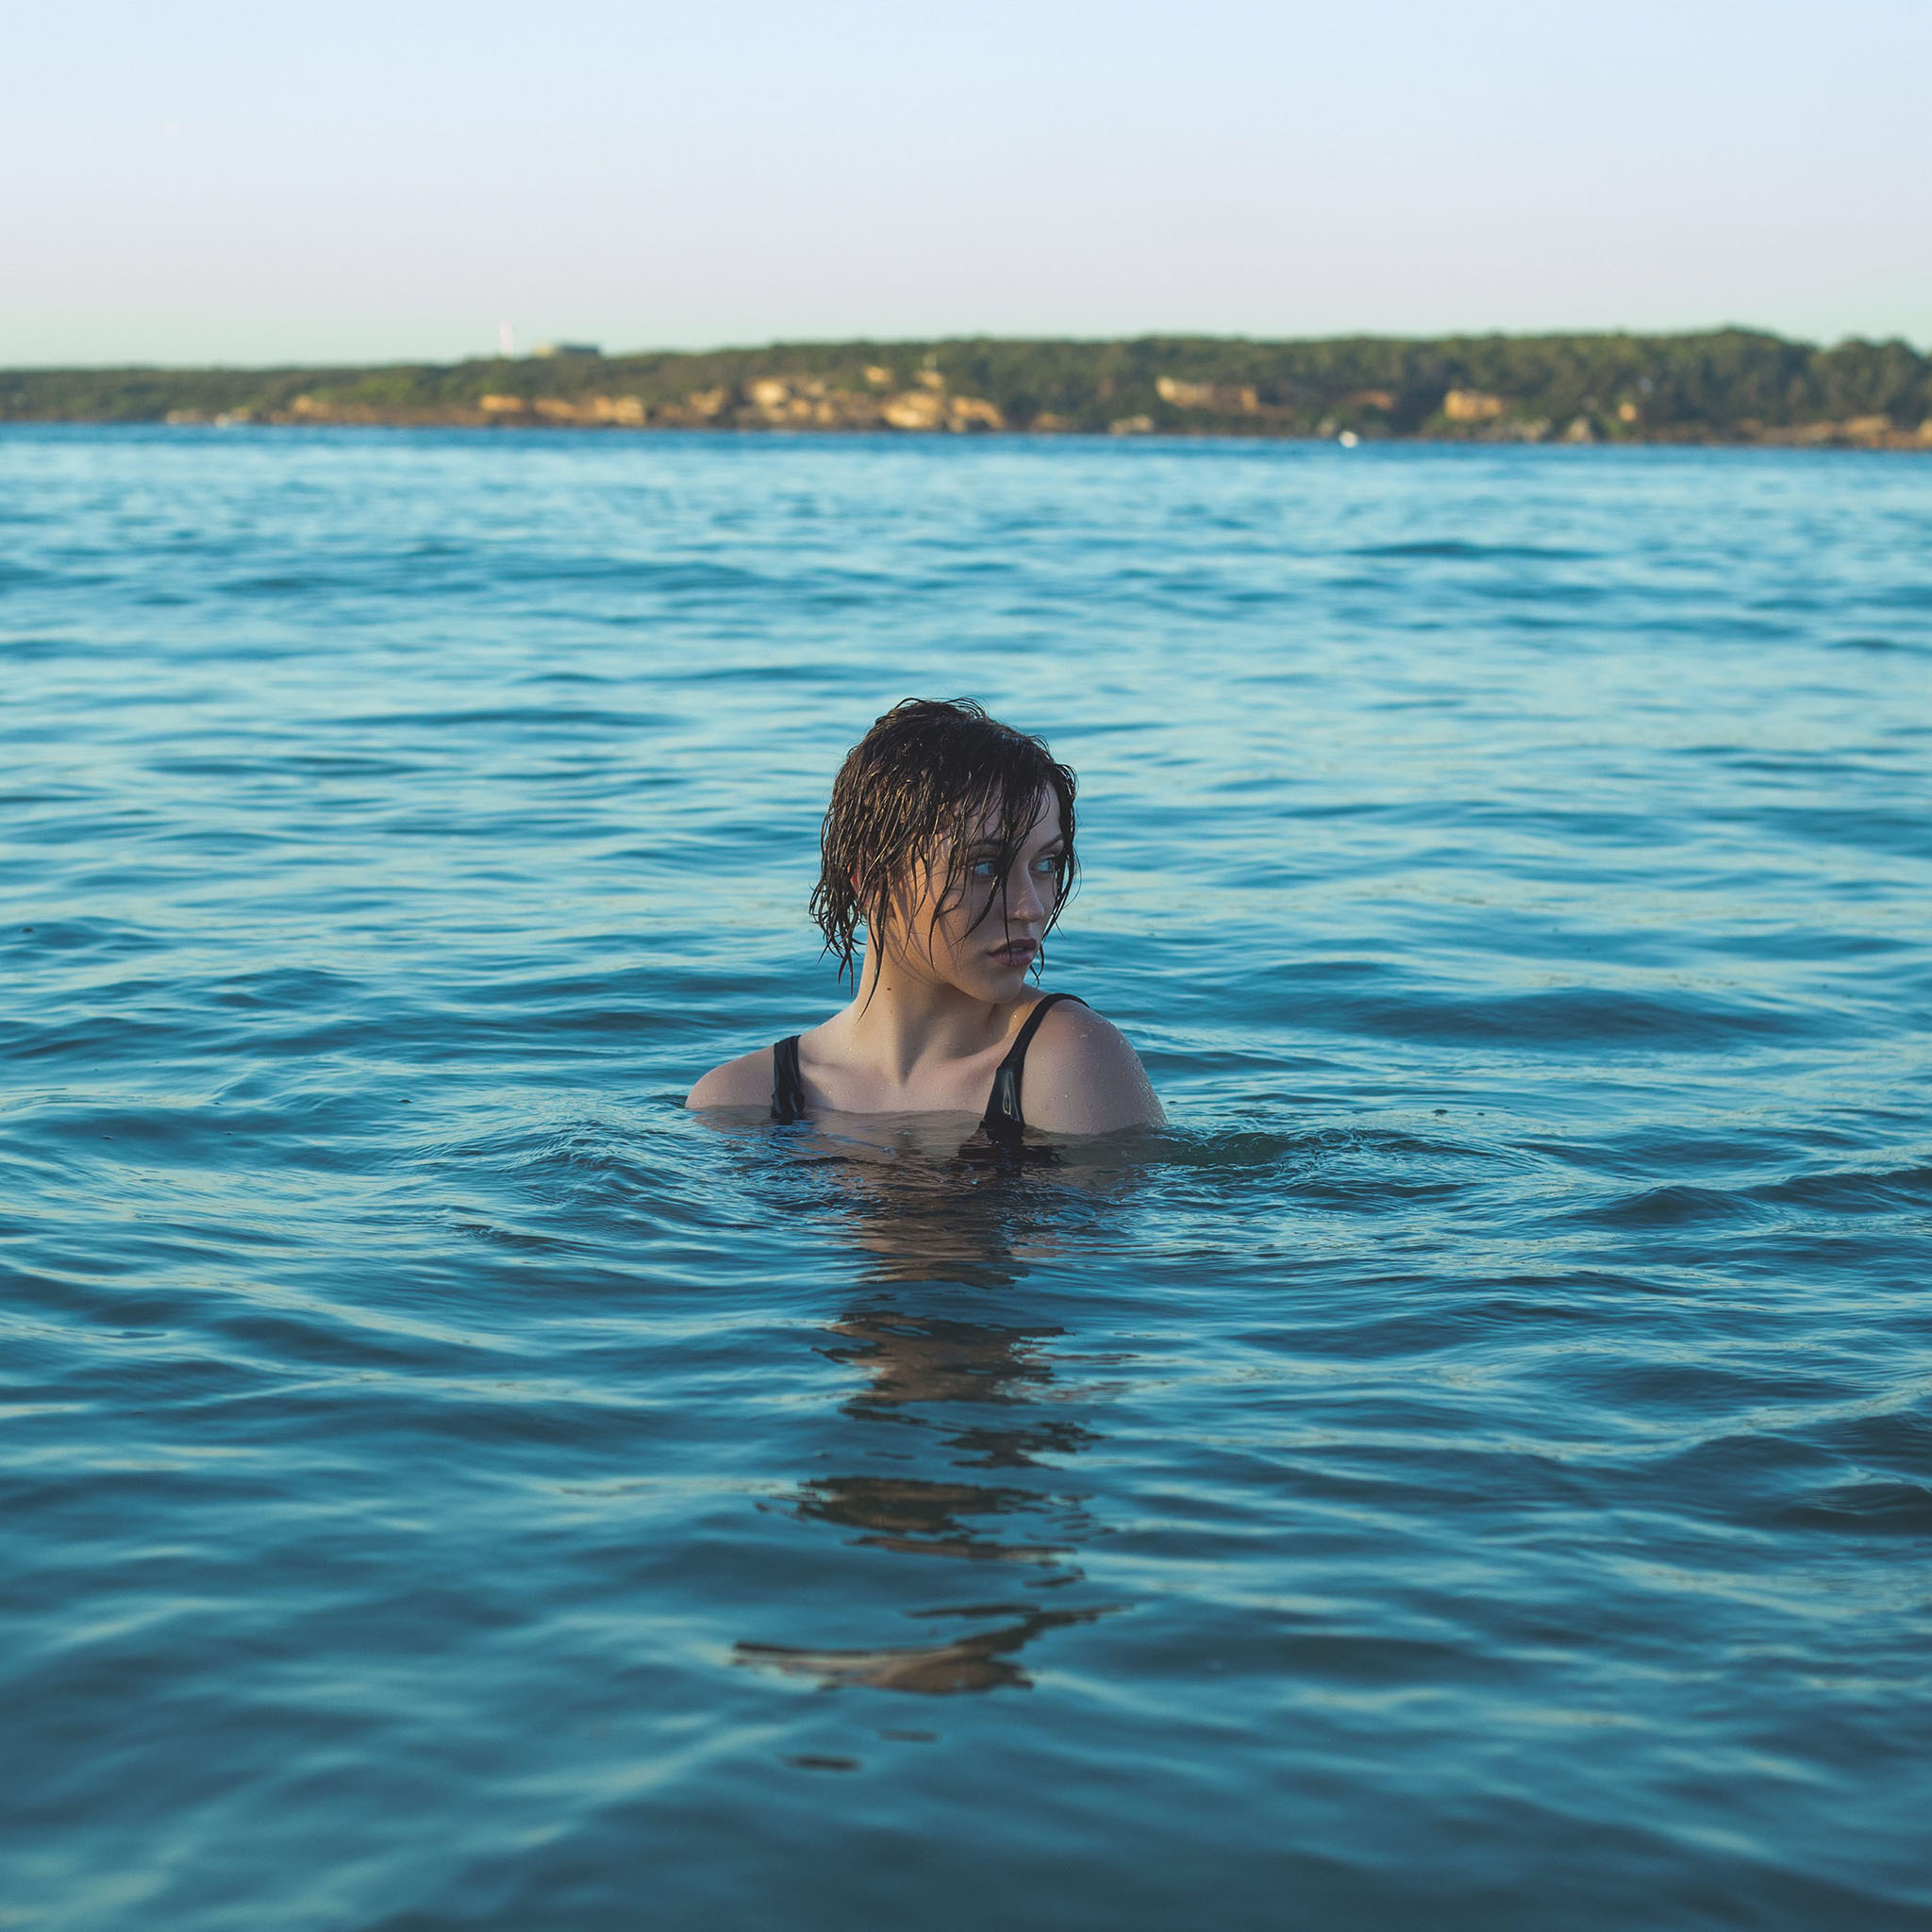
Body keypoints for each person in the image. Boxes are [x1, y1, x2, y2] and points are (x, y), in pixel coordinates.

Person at [687, 698, 1162, 1142]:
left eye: (1045, 864)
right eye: (985, 867)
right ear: (872, 881)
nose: (1031, 907)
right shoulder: (739, 1100)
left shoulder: (1069, 1058)